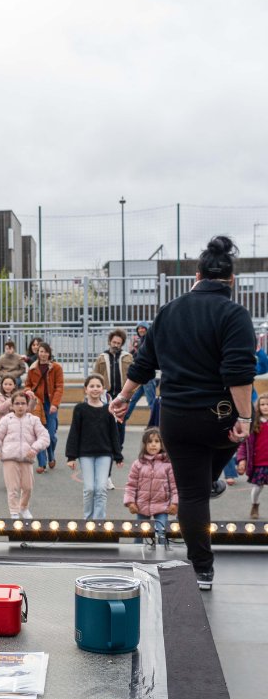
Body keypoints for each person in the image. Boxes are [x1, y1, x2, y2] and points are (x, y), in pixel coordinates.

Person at [110, 236, 257, 590]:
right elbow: (238, 372)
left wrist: (125, 396)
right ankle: (210, 479)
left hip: (176, 415)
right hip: (219, 415)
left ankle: (202, 569)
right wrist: (245, 418)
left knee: (192, 494)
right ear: (231, 280)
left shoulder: (169, 311)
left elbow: (145, 362)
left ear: (197, 275)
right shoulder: (234, 314)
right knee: (209, 471)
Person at [66, 374, 123, 520]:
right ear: (86, 389)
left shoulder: (108, 410)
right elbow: (74, 432)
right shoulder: (80, 409)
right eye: (92, 386)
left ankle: (99, 522)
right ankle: (88, 520)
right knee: (90, 488)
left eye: (98, 386)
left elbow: (114, 434)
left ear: (103, 389)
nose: (95, 389)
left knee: (101, 488)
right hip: (86, 454)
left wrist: (118, 455)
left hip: (104, 453)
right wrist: (71, 456)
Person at [0, 390, 50, 519]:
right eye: (17, 403)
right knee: (13, 488)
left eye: (23, 403)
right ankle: (14, 511)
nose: (20, 406)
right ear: (12, 405)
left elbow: (44, 437)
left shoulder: (34, 420)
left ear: (27, 405)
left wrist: (35, 448)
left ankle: (23, 507)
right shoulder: (6, 419)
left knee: (28, 487)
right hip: (9, 458)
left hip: (27, 458)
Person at [124, 427, 178, 542]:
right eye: (150, 441)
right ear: (144, 445)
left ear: (162, 444)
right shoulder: (138, 464)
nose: (153, 445)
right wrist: (130, 502)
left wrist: (175, 503)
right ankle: (135, 556)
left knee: (162, 533)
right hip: (141, 506)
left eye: (157, 441)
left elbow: (175, 487)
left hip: (162, 506)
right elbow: (131, 485)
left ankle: (163, 557)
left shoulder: (168, 464)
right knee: (139, 534)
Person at [25, 341, 64, 473]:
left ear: (49, 353)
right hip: (38, 403)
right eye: (41, 351)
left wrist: (55, 404)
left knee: (51, 434)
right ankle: (42, 463)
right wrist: (28, 390)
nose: (43, 354)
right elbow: (27, 384)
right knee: (39, 433)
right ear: (37, 352)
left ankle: (51, 455)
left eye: (45, 351)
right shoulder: (32, 368)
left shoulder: (56, 367)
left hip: (51, 403)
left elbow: (59, 387)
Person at [93, 328, 133, 454]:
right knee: (106, 422)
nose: (116, 345)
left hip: (122, 395)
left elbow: (133, 376)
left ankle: (118, 449)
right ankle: (107, 447)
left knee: (120, 422)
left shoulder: (128, 357)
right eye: (114, 342)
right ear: (109, 341)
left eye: (118, 343)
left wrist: (129, 394)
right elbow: (95, 376)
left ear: (122, 344)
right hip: (106, 395)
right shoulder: (101, 358)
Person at [236, 396, 268, 519]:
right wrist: (242, 460)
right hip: (259, 463)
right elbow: (244, 445)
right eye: (263, 404)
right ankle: (255, 505)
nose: (265, 407)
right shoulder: (255, 423)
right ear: (258, 407)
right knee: (257, 488)